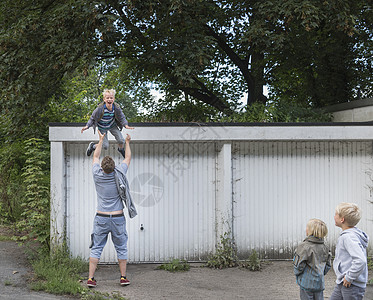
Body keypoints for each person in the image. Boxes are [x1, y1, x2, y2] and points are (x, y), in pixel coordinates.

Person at [87, 130, 134, 288]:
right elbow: (127, 158)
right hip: (118, 217)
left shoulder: (97, 174)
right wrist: (126, 142)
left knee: (97, 247)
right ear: (114, 167)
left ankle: (91, 279)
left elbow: (95, 156)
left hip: (101, 217)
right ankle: (123, 277)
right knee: (121, 247)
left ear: (102, 167)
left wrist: (101, 141)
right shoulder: (119, 173)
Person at [330, 202, 369, 300]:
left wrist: (349, 277)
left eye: (336, 214)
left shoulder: (348, 237)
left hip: (351, 284)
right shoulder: (350, 234)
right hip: (342, 282)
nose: (334, 216)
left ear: (342, 219)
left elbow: (360, 260)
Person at [81, 89, 134, 158]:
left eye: (111, 98)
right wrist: (87, 126)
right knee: (105, 146)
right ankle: (93, 146)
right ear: (104, 99)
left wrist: (126, 125)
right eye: (107, 98)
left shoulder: (116, 108)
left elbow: (121, 117)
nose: (109, 99)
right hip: (102, 128)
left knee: (121, 140)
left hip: (112, 125)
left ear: (113, 99)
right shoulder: (99, 109)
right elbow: (92, 118)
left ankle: (121, 149)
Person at [293, 218, 332, 300]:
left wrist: (297, 274)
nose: (305, 229)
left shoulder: (304, 246)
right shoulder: (325, 247)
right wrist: (320, 273)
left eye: (307, 227)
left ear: (311, 231)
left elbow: (298, 265)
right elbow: (328, 264)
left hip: (306, 283)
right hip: (319, 283)